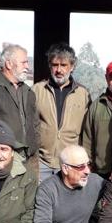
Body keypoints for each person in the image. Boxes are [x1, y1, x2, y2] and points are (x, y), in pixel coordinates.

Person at [33, 42, 91, 181]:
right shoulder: (37, 90)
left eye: (63, 65)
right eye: (55, 65)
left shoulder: (83, 94)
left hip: (70, 163)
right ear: (50, 66)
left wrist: (85, 161)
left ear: (72, 66)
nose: (59, 70)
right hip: (42, 163)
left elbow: (88, 132)